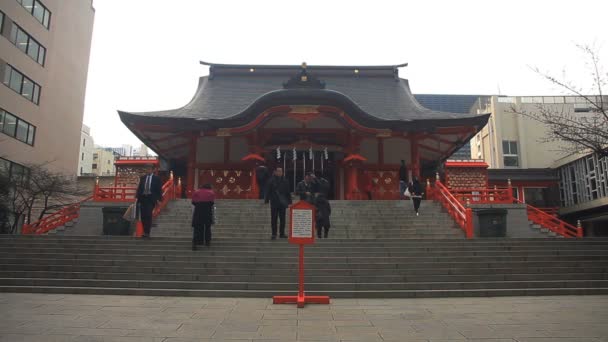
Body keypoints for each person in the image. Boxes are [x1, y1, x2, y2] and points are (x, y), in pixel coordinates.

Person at [264, 168, 292, 240]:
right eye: (278, 171)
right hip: (274, 202)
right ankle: (274, 234)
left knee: (282, 219)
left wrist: (289, 202)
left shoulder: (285, 181)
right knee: (274, 219)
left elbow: (288, 192)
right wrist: (266, 200)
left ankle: (282, 233)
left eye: (281, 171)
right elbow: (268, 190)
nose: (280, 172)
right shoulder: (271, 180)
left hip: (282, 203)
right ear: (275, 172)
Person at [135, 167, 162, 237]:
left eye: (149, 169)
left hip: (151, 199)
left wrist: (159, 199)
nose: (148, 170)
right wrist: (137, 198)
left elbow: (159, 190)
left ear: (153, 170)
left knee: (148, 214)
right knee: (143, 216)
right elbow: (140, 188)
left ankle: (147, 232)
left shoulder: (157, 179)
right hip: (142, 198)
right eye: (147, 169)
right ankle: (144, 231)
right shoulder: (143, 178)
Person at [191, 183, 215, 250]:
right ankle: (207, 241)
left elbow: (193, 202)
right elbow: (212, 203)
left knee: (197, 228)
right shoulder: (211, 193)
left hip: (198, 211)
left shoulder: (196, 192)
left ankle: (196, 242)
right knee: (207, 227)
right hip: (207, 211)